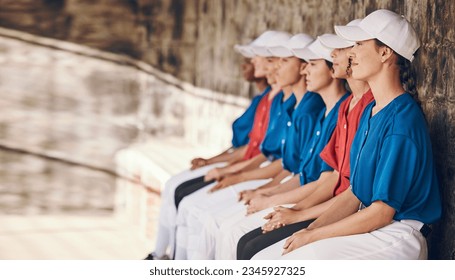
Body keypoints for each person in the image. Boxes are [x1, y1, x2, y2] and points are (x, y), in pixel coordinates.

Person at [254, 9, 442, 260]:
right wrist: (309, 229)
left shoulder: (402, 121)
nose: (350, 52)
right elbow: (354, 192)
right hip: (373, 224)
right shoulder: (371, 111)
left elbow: (381, 213)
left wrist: (310, 236)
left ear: (385, 53)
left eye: (359, 44)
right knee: (271, 257)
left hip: (398, 234)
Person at [235, 22, 375, 260]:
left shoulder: (365, 109)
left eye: (310, 63)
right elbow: (314, 175)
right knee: (246, 243)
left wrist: (301, 218)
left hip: (347, 211)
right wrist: (275, 199)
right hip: (328, 203)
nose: (304, 71)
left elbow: (353, 193)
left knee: (253, 249)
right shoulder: (342, 109)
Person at [143, 30, 276, 260]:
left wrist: (231, 173)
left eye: (253, 60)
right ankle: (162, 256)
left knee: (203, 215)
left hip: (262, 172)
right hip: (249, 166)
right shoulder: (265, 100)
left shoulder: (286, 103)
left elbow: (266, 154)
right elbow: (247, 146)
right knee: (178, 191)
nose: (248, 65)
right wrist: (214, 162)